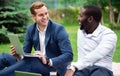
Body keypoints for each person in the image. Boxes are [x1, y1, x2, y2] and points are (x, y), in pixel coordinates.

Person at [0, 1, 73, 76]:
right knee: (4, 56)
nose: (45, 17)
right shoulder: (31, 29)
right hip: (34, 64)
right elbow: (26, 53)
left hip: (53, 69)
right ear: (33, 17)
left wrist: (47, 60)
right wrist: (19, 56)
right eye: (41, 15)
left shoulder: (59, 29)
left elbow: (68, 55)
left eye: (46, 13)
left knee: (31, 62)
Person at [65, 5, 117, 76]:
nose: (78, 19)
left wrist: (73, 67)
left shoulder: (109, 35)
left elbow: (97, 54)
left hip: (102, 69)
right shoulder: (80, 32)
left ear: (90, 19)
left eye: (81, 16)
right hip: (83, 69)